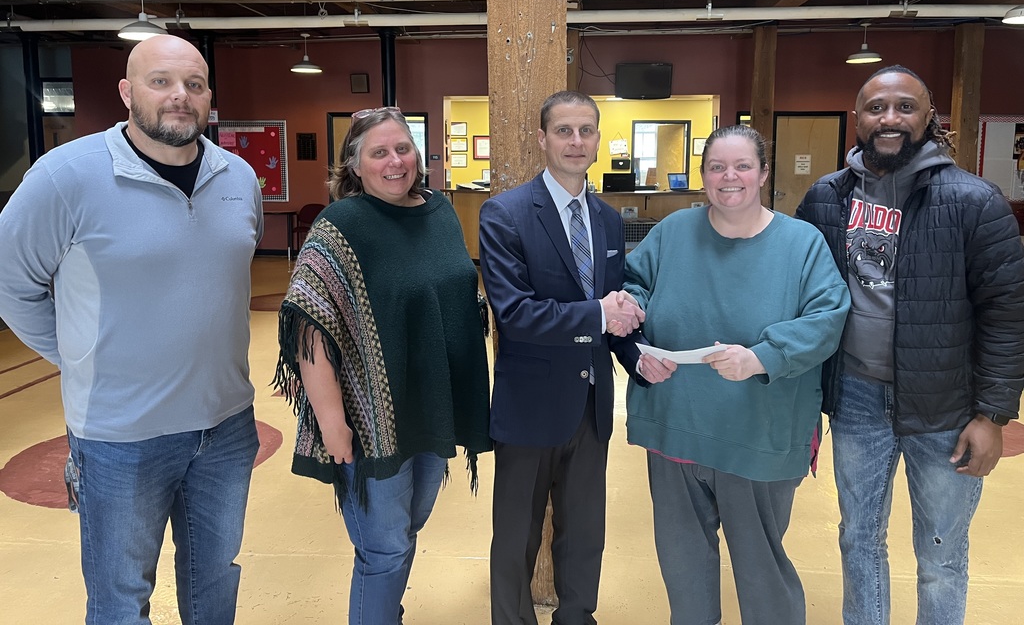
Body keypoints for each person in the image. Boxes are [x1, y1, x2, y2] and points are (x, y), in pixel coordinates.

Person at [0, 34, 264, 624]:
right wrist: (81, 355)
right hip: (120, 439)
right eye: (161, 81)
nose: (179, 97)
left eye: (194, 85)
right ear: (126, 92)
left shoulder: (237, 177)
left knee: (215, 587)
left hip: (225, 429)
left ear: (209, 99)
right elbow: (10, 285)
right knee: (121, 604)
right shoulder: (65, 177)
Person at [796, 65, 1024, 625]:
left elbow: (1007, 312)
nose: (889, 118)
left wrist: (992, 414)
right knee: (859, 539)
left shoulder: (974, 201)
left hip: (946, 407)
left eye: (905, 107)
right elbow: (796, 291)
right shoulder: (827, 198)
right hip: (855, 399)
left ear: (929, 118)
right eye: (876, 108)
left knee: (941, 553)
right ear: (858, 119)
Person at [624, 125, 851, 625]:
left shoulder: (801, 244)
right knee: (683, 568)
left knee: (761, 569)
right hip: (675, 424)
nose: (730, 178)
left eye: (743, 166)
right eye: (716, 167)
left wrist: (761, 357)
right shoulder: (673, 231)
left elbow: (828, 317)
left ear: (764, 173)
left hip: (758, 434)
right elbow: (633, 286)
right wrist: (633, 327)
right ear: (703, 175)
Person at [274, 106, 492, 625]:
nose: (395, 161)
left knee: (407, 529)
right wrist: (332, 425)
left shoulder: (438, 211)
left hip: (430, 405)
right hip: (371, 419)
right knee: (384, 548)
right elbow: (310, 327)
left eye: (403, 148)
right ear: (354, 163)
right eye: (379, 152)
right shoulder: (340, 226)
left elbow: (455, 295)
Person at [479, 90, 653, 625]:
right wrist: (603, 316)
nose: (575, 142)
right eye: (563, 131)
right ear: (542, 139)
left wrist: (637, 354)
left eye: (585, 131)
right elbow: (516, 314)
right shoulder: (505, 214)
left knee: (585, 534)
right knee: (515, 537)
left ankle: (577, 617)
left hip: (591, 402)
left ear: (598, 139)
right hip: (529, 406)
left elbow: (614, 307)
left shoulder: (604, 217)